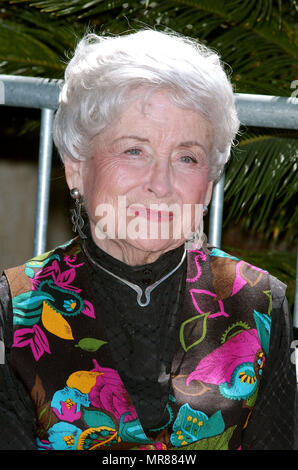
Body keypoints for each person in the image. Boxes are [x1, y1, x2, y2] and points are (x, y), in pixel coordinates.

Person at [0, 29, 296, 451]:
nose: (161, 184)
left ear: (209, 187)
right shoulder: (14, 312)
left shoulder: (260, 304)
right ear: (76, 167)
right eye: (134, 150)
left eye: (186, 157)